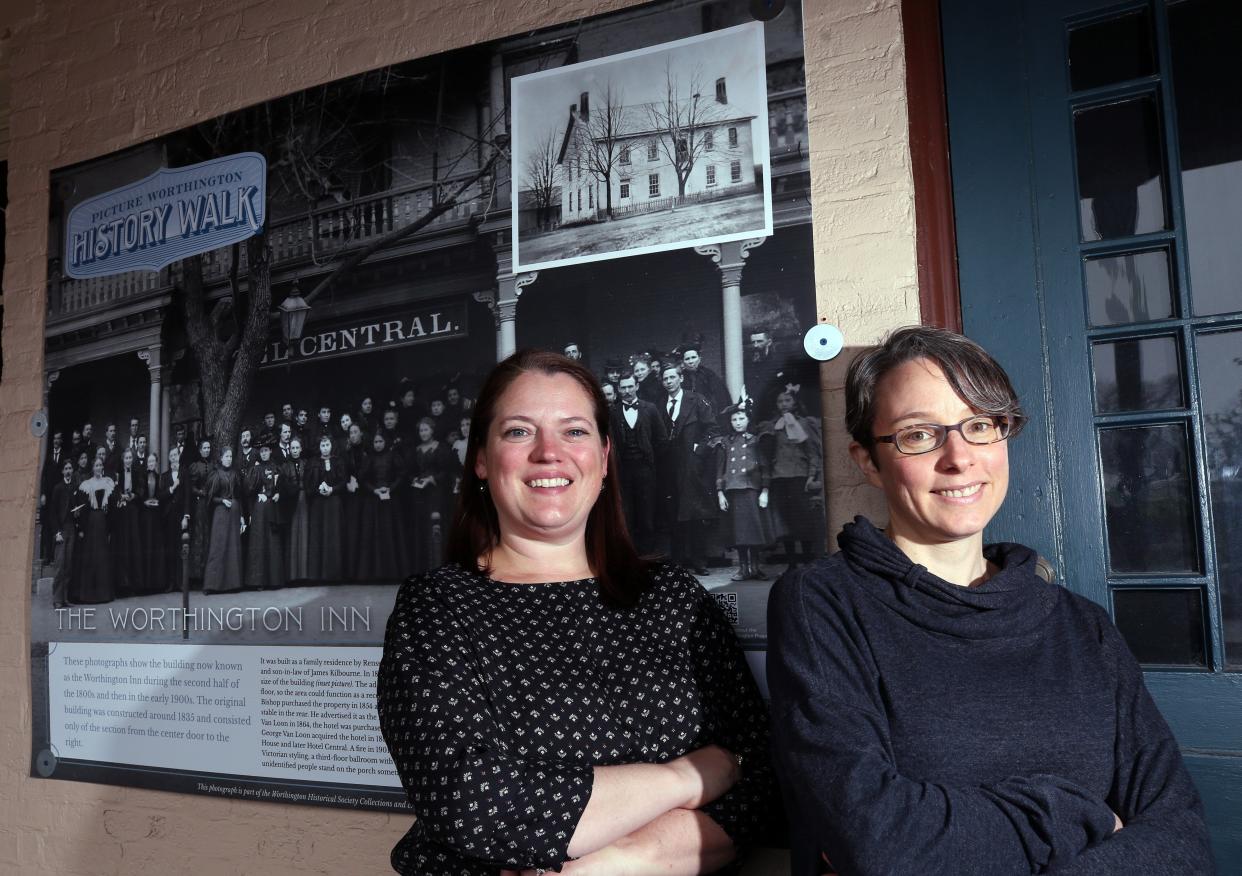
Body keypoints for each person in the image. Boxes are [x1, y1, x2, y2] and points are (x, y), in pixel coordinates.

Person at [767, 326, 1214, 875]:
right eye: (918, 435)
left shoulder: (1082, 626)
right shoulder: (824, 605)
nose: (960, 457)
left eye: (980, 425)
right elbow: (877, 839)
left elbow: (1182, 836)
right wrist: (1076, 815)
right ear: (869, 461)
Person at [377, 349, 776, 876]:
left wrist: (607, 865)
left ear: (605, 457)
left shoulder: (674, 598)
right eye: (519, 432)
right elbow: (469, 802)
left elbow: (762, 777)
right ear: (480, 458)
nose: (549, 453)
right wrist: (688, 776)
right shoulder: (437, 607)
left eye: (574, 431)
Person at [659, 364, 718, 575]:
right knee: (673, 514)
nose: (668, 382)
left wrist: (698, 450)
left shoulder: (696, 399)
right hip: (668, 466)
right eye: (665, 378)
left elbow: (711, 428)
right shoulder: (659, 404)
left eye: (672, 377)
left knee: (694, 513)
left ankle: (699, 561)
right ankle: (678, 561)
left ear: (680, 378)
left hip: (691, 465)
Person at [764, 389, 825, 570]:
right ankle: (791, 563)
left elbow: (813, 453)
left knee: (804, 521)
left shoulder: (805, 424)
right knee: (786, 521)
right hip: (779, 477)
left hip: (800, 477)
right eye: (780, 401)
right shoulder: (773, 425)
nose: (783, 404)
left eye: (787, 400)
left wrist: (812, 475)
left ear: (795, 403)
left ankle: (807, 559)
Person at [609, 373, 667, 555]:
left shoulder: (650, 409)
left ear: (636, 387)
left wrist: (651, 460)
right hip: (623, 469)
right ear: (618, 389)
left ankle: (648, 553)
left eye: (630, 387)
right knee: (627, 511)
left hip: (645, 469)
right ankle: (630, 554)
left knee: (647, 511)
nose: (627, 391)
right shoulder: (612, 412)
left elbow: (662, 439)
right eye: (623, 388)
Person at [716, 407, 772, 582]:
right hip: (733, 491)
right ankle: (742, 569)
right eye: (734, 420)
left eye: (741, 418)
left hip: (751, 490)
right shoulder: (725, 442)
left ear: (748, 420)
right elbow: (720, 470)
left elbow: (764, 468)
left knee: (753, 531)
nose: (738, 422)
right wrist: (720, 493)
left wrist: (764, 491)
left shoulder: (756, 441)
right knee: (739, 532)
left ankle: (755, 568)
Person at [355, 431, 408, 580]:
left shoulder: (393, 456)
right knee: (373, 535)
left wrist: (391, 488)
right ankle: (374, 574)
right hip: (373, 501)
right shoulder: (369, 458)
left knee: (390, 533)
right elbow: (362, 479)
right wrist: (374, 490)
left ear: (386, 442)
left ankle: (392, 573)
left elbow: (401, 475)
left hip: (391, 500)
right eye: (375, 442)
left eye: (380, 441)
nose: (378, 445)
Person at [405, 416, 453, 573]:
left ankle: (438, 567)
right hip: (419, 494)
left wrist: (432, 479)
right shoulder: (416, 449)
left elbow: (447, 472)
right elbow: (410, 472)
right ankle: (423, 568)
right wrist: (415, 480)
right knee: (421, 527)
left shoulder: (441, 448)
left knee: (435, 526)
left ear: (432, 430)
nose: (423, 433)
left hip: (435, 492)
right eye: (421, 430)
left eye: (426, 429)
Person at [202, 446, 245, 594]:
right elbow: (210, 497)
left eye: (230, 457)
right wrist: (221, 501)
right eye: (226, 456)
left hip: (233, 514)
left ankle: (232, 585)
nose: (228, 459)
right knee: (217, 548)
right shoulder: (215, 474)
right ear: (221, 458)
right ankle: (212, 585)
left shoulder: (235, 474)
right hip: (220, 514)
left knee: (232, 549)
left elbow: (239, 496)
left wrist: (241, 517)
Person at [75, 457, 115, 604]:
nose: (98, 467)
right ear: (93, 468)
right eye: (96, 465)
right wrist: (82, 527)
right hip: (91, 521)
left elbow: (111, 506)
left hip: (103, 521)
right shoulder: (87, 484)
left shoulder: (108, 482)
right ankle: (89, 595)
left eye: (100, 465)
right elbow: (84, 507)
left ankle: (104, 595)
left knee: (102, 556)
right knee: (91, 556)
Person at [307, 435, 345, 581]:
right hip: (318, 504)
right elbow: (308, 484)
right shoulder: (313, 463)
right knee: (319, 536)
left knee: (333, 536)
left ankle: (335, 575)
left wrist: (332, 489)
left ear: (331, 445)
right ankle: (318, 575)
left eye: (327, 445)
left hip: (334, 503)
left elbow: (343, 481)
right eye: (322, 446)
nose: (325, 448)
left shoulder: (338, 461)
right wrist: (319, 491)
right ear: (319, 447)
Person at [49, 459, 80, 608]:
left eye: (70, 468)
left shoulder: (74, 487)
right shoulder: (58, 488)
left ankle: (65, 598)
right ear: (62, 471)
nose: (68, 471)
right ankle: (57, 599)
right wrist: (56, 532)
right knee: (60, 565)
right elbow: (53, 513)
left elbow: (75, 508)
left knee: (68, 566)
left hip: (71, 529)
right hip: (61, 530)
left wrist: (77, 513)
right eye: (66, 468)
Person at [281, 437, 311, 584]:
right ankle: (292, 575)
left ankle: (304, 574)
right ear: (289, 449)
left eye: (296, 448)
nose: (294, 450)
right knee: (293, 535)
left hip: (304, 500)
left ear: (300, 449)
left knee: (304, 534)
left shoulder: (306, 464)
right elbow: (283, 484)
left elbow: (310, 480)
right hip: (292, 502)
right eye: (292, 448)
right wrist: (294, 490)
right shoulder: (285, 466)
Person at [158, 446, 187, 592]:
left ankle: (181, 582)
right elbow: (161, 496)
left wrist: (186, 516)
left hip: (180, 516)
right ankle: (170, 582)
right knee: (169, 549)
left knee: (181, 549)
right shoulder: (164, 476)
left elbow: (188, 496)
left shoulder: (184, 473)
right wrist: (172, 488)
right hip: (168, 517)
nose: (174, 457)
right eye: (172, 455)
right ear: (169, 458)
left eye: (176, 455)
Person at [187, 438, 214, 588]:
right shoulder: (195, 466)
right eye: (204, 448)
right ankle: (196, 576)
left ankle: (207, 575)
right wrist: (201, 492)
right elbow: (191, 487)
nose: (207, 450)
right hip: (200, 505)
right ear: (200, 449)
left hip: (211, 505)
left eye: (209, 448)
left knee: (209, 535)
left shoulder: (212, 465)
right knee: (199, 536)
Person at [138, 451, 166, 594]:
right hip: (145, 516)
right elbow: (140, 494)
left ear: (156, 463)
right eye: (149, 462)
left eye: (153, 462)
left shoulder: (158, 477)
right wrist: (145, 501)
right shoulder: (142, 476)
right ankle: (145, 585)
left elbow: (160, 495)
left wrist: (157, 501)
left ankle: (156, 584)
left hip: (155, 516)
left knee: (155, 547)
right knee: (146, 547)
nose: (151, 464)